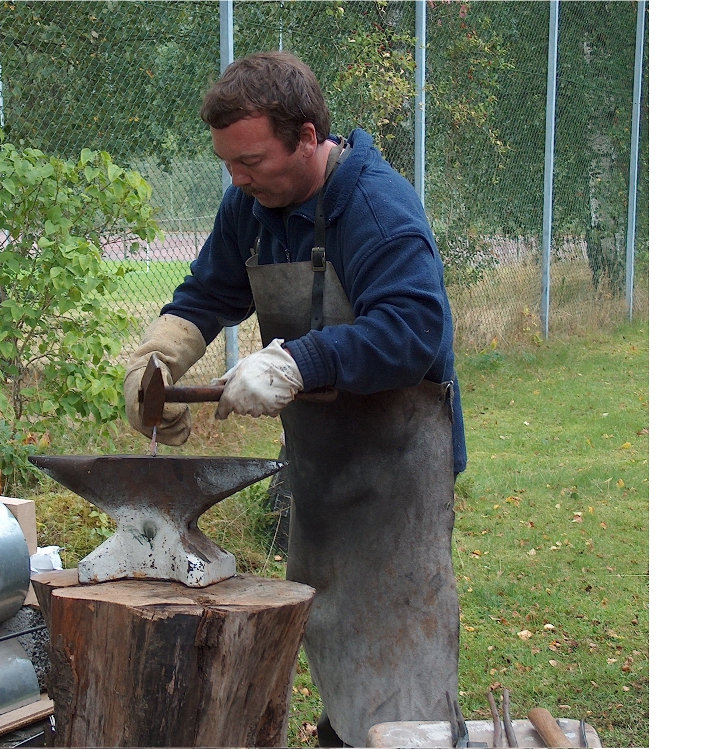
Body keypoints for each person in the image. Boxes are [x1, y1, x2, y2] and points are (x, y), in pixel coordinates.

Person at [122, 51, 467, 748]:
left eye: (250, 160)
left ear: (308, 136)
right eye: (227, 163)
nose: (237, 177)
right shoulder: (250, 206)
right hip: (322, 464)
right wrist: (158, 355)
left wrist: (295, 362)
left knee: (403, 656)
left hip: (399, 471)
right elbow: (209, 292)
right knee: (336, 630)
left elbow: (413, 328)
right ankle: (346, 733)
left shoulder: (374, 204)